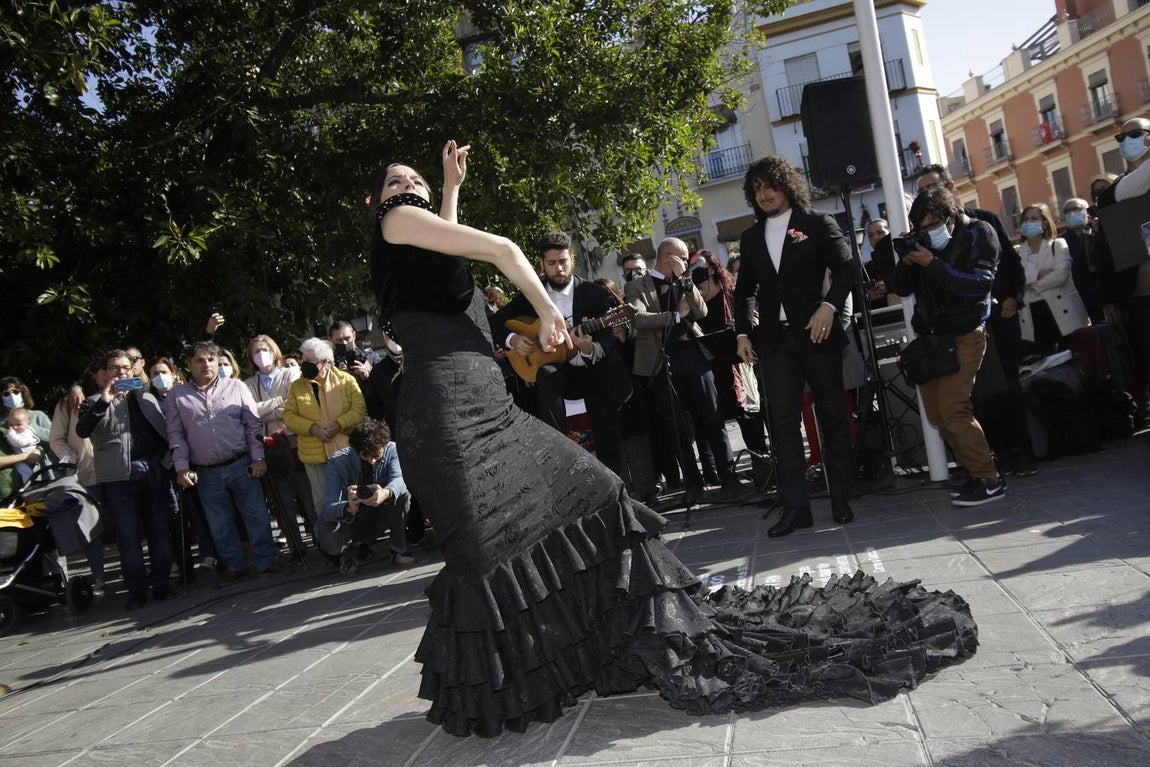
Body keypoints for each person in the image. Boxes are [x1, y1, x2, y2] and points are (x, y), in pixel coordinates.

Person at [370, 140, 976, 737]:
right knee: (487, 548)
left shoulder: (419, 246)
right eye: (393, 182)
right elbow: (499, 248)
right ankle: (502, 688)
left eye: (412, 181)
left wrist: (449, 190)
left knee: (598, 494)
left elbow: (446, 258)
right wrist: (545, 309)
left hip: (489, 408)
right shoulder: (397, 223)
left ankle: (596, 644)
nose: (404, 188)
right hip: (446, 417)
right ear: (381, 203)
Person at [734, 155, 856, 537]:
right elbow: (744, 292)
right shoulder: (751, 237)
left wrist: (829, 306)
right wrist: (742, 334)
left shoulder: (817, 223)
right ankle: (796, 508)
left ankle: (841, 499)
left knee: (833, 416)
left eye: (770, 185)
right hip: (775, 342)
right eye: (756, 189)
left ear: (786, 185)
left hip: (817, 332)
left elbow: (848, 268)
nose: (764, 194)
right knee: (783, 424)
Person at [888, 186, 1005, 506]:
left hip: (965, 333)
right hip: (931, 339)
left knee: (955, 411)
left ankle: (989, 477)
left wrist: (931, 263)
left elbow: (979, 285)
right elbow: (899, 288)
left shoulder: (979, 233)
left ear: (950, 217)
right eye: (920, 227)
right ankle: (973, 473)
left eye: (932, 225)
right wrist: (909, 258)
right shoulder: (923, 244)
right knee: (939, 416)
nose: (927, 232)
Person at [917, 163, 1033, 477]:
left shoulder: (984, 222)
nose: (927, 195)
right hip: (957, 326)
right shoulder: (929, 236)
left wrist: (1013, 297)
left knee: (1008, 387)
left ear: (949, 188)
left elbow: (1010, 265)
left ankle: (1021, 453)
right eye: (921, 191)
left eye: (932, 187)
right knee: (973, 398)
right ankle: (992, 456)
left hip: (996, 316)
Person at [493, 231, 632, 476]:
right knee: (546, 373)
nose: (559, 268)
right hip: (558, 373)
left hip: (593, 369)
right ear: (542, 264)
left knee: (606, 419)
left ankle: (615, 487)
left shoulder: (594, 293)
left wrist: (590, 348)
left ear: (572, 260)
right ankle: (558, 463)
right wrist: (513, 339)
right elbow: (494, 322)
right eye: (552, 263)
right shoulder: (531, 296)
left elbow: (608, 337)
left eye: (563, 261)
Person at [626, 238, 749, 503]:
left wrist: (686, 282)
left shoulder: (685, 282)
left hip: (694, 354)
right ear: (668, 257)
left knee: (713, 418)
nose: (686, 262)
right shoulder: (637, 285)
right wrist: (676, 317)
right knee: (678, 426)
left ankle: (729, 478)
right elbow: (638, 318)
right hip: (662, 361)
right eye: (682, 258)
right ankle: (693, 485)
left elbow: (701, 310)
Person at [165, 341, 286, 584]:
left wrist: (258, 458)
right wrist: (182, 468)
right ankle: (234, 566)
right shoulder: (177, 397)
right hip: (206, 471)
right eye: (200, 360)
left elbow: (252, 424)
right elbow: (176, 435)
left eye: (211, 359)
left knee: (256, 515)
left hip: (242, 463)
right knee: (219, 523)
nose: (207, 365)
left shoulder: (236, 387)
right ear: (189, 365)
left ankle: (266, 561)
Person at [77, 350, 175, 609]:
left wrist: (166, 462)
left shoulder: (146, 398)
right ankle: (137, 590)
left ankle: (162, 583)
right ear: (104, 374)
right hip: (118, 479)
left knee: (160, 532)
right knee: (128, 537)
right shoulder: (94, 402)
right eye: (114, 368)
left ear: (133, 370)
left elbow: (166, 432)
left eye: (125, 367)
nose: (121, 372)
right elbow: (82, 430)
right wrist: (104, 402)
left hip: (152, 473)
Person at [282, 337, 366, 522]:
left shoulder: (346, 380)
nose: (304, 366)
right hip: (315, 457)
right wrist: (312, 429)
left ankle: (361, 543)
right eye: (303, 361)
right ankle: (333, 546)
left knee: (353, 497)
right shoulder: (296, 386)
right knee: (324, 503)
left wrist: (338, 425)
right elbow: (289, 416)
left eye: (309, 362)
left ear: (325, 362)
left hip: (345, 452)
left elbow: (359, 410)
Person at [317, 417, 414, 574]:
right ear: (356, 450)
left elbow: (400, 480)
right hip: (352, 519)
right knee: (330, 538)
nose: (372, 460)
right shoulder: (338, 462)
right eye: (366, 456)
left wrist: (385, 493)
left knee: (402, 494)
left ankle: (398, 549)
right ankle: (347, 555)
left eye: (377, 455)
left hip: (381, 512)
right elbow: (328, 509)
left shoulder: (392, 450)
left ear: (384, 444)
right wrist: (347, 506)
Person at [50, 361, 107, 594]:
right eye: (99, 371)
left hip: (117, 473)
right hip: (85, 475)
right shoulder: (69, 403)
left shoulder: (122, 397)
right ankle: (99, 577)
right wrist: (73, 458)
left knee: (125, 525)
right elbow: (56, 439)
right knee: (91, 530)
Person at [1016, 203, 1090, 354]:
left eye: (1034, 218)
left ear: (1044, 223)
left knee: (1075, 354)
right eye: (1026, 219)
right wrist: (1039, 274)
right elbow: (1017, 280)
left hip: (1063, 311)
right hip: (1033, 314)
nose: (1029, 222)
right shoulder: (1016, 252)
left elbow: (1060, 275)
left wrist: (1031, 285)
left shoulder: (1057, 244)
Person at [0, 377, 55, 501]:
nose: (12, 396)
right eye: (6, 393)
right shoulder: (1, 424)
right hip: (11, 486)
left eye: (15, 392)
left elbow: (56, 440)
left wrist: (30, 429)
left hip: (44, 474)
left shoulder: (37, 416)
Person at [1061, 197, 1105, 323]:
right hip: (1078, 297)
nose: (1071, 213)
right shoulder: (1062, 241)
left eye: (1076, 209)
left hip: (1100, 292)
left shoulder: (1095, 231)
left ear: (1086, 212)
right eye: (1067, 211)